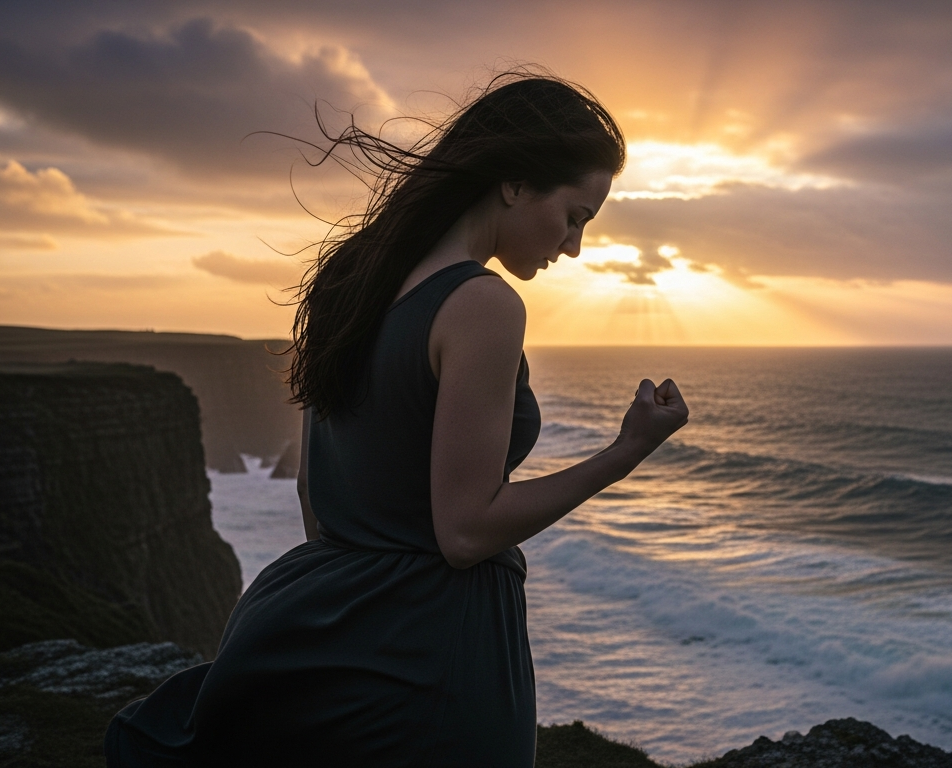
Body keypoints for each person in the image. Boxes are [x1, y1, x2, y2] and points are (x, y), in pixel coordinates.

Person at [104, 72, 689, 767]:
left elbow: (311, 496)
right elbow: (466, 532)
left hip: (313, 616)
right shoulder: (484, 306)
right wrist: (628, 449)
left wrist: (347, 634)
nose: (574, 247)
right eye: (575, 216)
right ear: (513, 182)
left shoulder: (351, 279)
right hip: (438, 649)